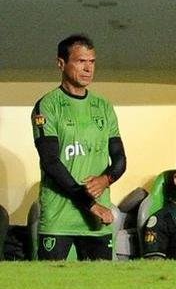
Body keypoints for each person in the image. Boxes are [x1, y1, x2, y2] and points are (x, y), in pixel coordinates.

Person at [31, 34, 126, 261]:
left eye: (92, 62)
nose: (88, 69)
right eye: (81, 61)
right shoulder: (47, 106)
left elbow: (120, 159)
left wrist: (106, 180)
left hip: (97, 224)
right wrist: (91, 204)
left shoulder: (103, 106)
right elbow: (51, 163)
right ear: (61, 63)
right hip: (59, 221)